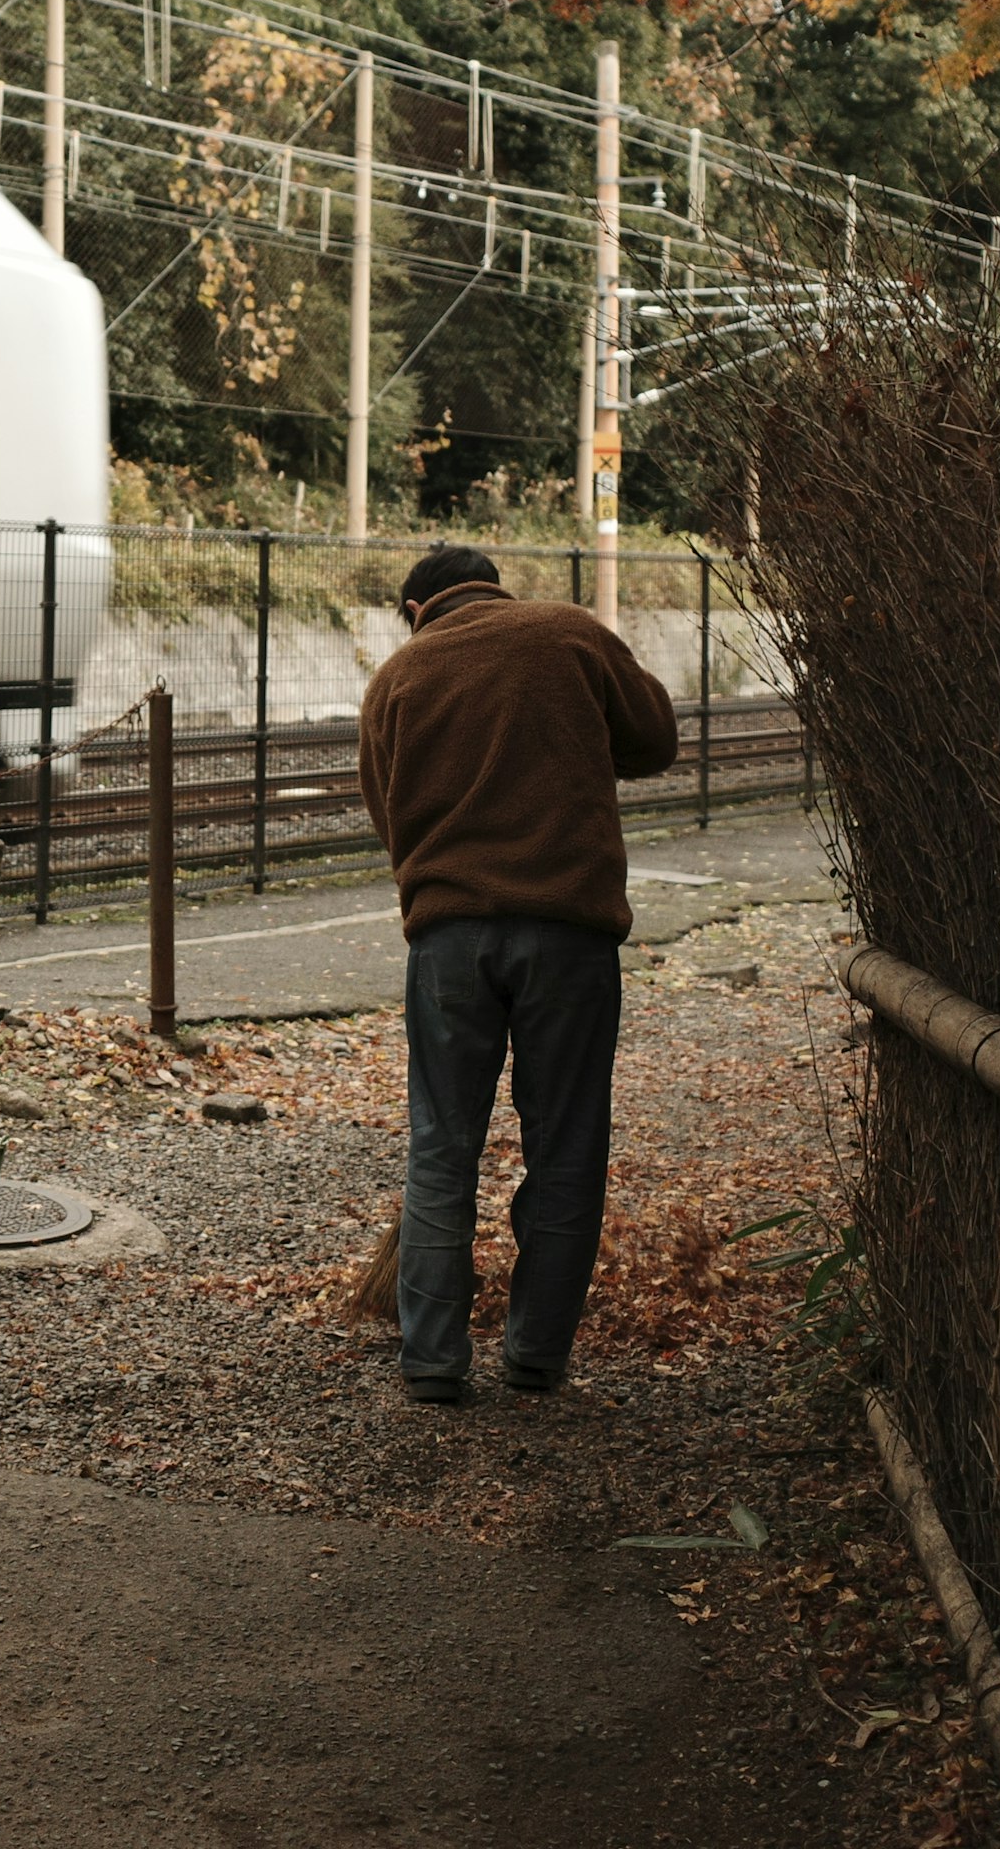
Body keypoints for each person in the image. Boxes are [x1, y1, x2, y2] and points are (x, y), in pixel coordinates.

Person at [354, 542, 680, 1403]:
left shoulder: (397, 677)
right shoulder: (569, 635)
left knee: (441, 1149)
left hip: (449, 941)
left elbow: (389, 816)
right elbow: (656, 738)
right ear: (493, 588)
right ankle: (535, 1356)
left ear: (417, 609)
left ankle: (430, 1360)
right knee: (566, 1147)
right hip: (571, 934)